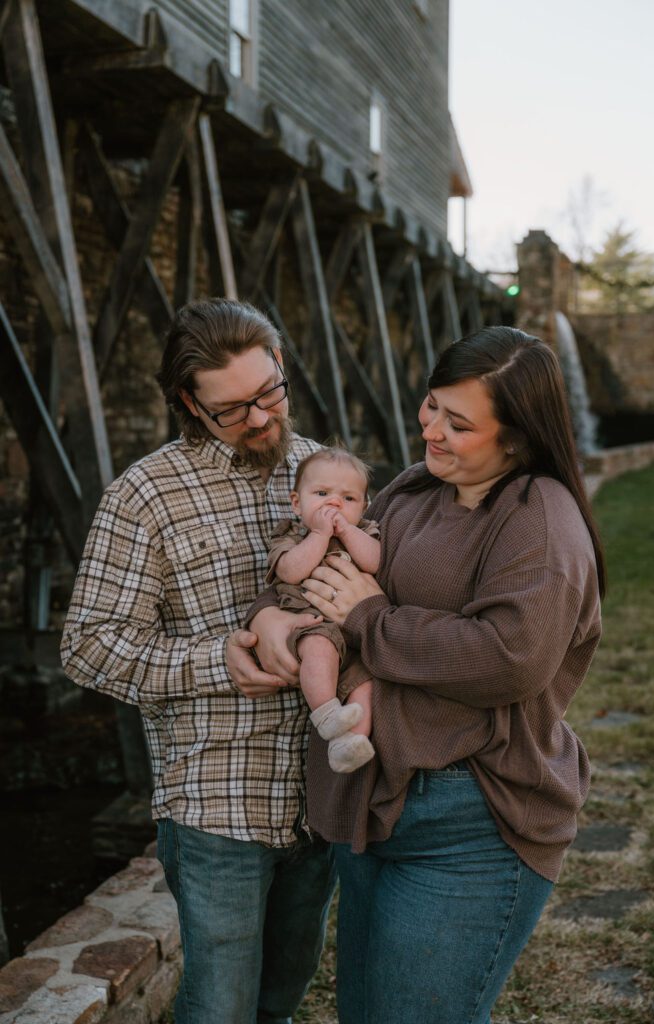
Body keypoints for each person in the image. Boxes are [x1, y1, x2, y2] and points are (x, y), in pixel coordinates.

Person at [233, 326, 606, 1024]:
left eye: (458, 423)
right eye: (431, 405)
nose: (430, 429)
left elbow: (507, 659)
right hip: (372, 808)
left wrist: (372, 620)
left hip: (470, 821)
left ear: (517, 438)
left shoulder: (539, 521)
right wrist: (267, 621)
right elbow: (320, 576)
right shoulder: (413, 490)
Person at [60, 298, 337, 1024]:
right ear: (189, 403)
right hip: (218, 805)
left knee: (282, 998)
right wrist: (221, 658)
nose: (259, 418)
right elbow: (87, 645)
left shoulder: (323, 473)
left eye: (268, 392)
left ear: (280, 364)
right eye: (232, 409)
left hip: (322, 795)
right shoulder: (143, 495)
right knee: (219, 1010)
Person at [264, 446, 379, 773]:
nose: (335, 504)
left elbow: (375, 560)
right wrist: (319, 534)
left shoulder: (366, 532)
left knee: (366, 686)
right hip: (313, 625)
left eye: (349, 499)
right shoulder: (291, 534)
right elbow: (289, 572)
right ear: (297, 502)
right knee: (318, 651)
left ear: (365, 507)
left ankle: (349, 744)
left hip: (357, 635)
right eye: (322, 493)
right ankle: (327, 714)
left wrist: (348, 531)